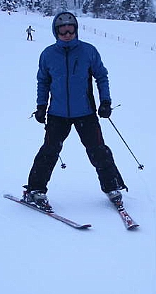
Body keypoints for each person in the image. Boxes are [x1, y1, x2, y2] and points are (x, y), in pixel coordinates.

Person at [24, 11, 127, 212]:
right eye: (62, 30)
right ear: (56, 32)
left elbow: (101, 76)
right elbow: (43, 82)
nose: (67, 34)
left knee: (98, 150)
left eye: (71, 30)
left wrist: (105, 101)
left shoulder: (88, 51)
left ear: (76, 30)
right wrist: (41, 106)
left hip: (85, 113)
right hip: (57, 114)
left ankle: (112, 186)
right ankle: (35, 189)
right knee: (49, 151)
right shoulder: (48, 54)